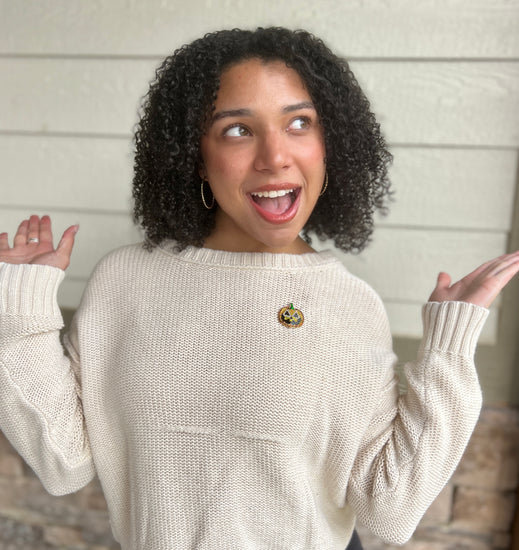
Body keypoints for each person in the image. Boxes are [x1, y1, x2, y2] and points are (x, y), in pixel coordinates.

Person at [0, 27, 518, 550]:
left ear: (330, 144)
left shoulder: (348, 305)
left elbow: (390, 512)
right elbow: (63, 464)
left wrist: (449, 353)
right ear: (195, 155)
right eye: (237, 130)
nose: (275, 156)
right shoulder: (123, 282)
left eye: (299, 123)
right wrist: (18, 312)